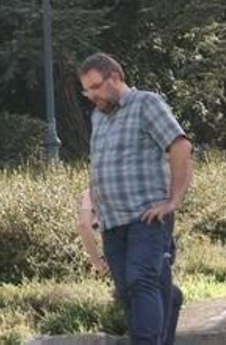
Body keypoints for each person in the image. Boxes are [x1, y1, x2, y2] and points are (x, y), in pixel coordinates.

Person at [80, 52, 192, 345]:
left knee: (140, 280)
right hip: (112, 221)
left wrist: (173, 201)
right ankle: (171, 299)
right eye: (86, 90)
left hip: (147, 215)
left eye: (95, 87)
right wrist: (92, 208)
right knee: (128, 291)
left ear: (115, 77)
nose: (91, 95)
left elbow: (179, 146)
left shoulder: (146, 103)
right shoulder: (98, 117)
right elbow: (103, 165)